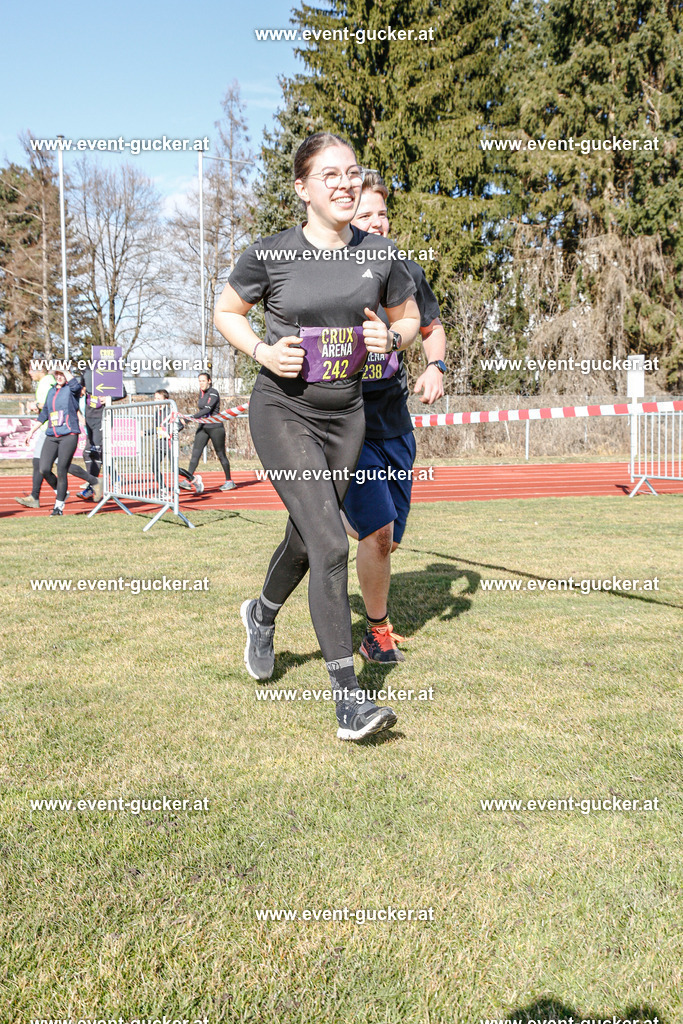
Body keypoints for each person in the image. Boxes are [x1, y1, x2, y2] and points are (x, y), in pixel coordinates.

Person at [214, 132, 420, 741]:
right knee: (332, 540)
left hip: (346, 417)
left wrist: (395, 340)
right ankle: (348, 702)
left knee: (307, 542)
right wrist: (259, 350)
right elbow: (227, 311)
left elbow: (409, 319)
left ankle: (261, 613)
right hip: (283, 411)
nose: (345, 183)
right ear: (303, 188)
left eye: (352, 172)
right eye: (329, 175)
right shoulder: (269, 256)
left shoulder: (381, 256)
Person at [342, 172, 448, 662]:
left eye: (381, 213)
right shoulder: (335, 272)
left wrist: (436, 366)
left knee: (390, 539)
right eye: (365, 214)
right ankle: (376, 633)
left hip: (396, 422)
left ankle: (342, 521)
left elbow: (432, 327)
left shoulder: (404, 269)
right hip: (348, 419)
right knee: (378, 531)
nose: (376, 221)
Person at [23, 364, 103, 516]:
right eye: (57, 374)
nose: (59, 377)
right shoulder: (52, 391)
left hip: (69, 434)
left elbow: (76, 386)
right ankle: (86, 484)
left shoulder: (72, 390)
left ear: (67, 375)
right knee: (44, 468)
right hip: (52, 434)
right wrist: (31, 431)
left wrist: (66, 371)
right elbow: (45, 412)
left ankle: (58, 507)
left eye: (62, 374)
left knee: (62, 469)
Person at [182, 372, 235, 492]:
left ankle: (229, 481)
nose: (201, 383)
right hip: (203, 426)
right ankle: (188, 480)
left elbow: (206, 409)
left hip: (215, 427)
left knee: (221, 454)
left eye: (203, 381)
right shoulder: (201, 394)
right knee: (195, 453)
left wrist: (188, 419)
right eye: (199, 381)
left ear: (209, 381)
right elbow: (202, 411)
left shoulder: (213, 393)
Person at [15, 361, 57, 508]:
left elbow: (50, 404)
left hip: (51, 429)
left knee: (57, 465)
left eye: (32, 370)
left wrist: (36, 406)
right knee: (39, 463)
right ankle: (36, 496)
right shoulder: (45, 382)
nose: (29, 373)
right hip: (46, 428)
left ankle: (93, 481)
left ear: (40, 370)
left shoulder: (47, 382)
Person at [152, 389, 204, 494]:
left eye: (159, 398)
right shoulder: (157, 413)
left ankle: (194, 479)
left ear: (165, 400)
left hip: (170, 444)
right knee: (154, 467)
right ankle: (163, 489)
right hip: (160, 444)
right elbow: (157, 428)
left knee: (174, 468)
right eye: (155, 398)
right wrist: (145, 432)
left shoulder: (171, 412)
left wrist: (169, 431)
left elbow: (180, 425)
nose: (156, 401)